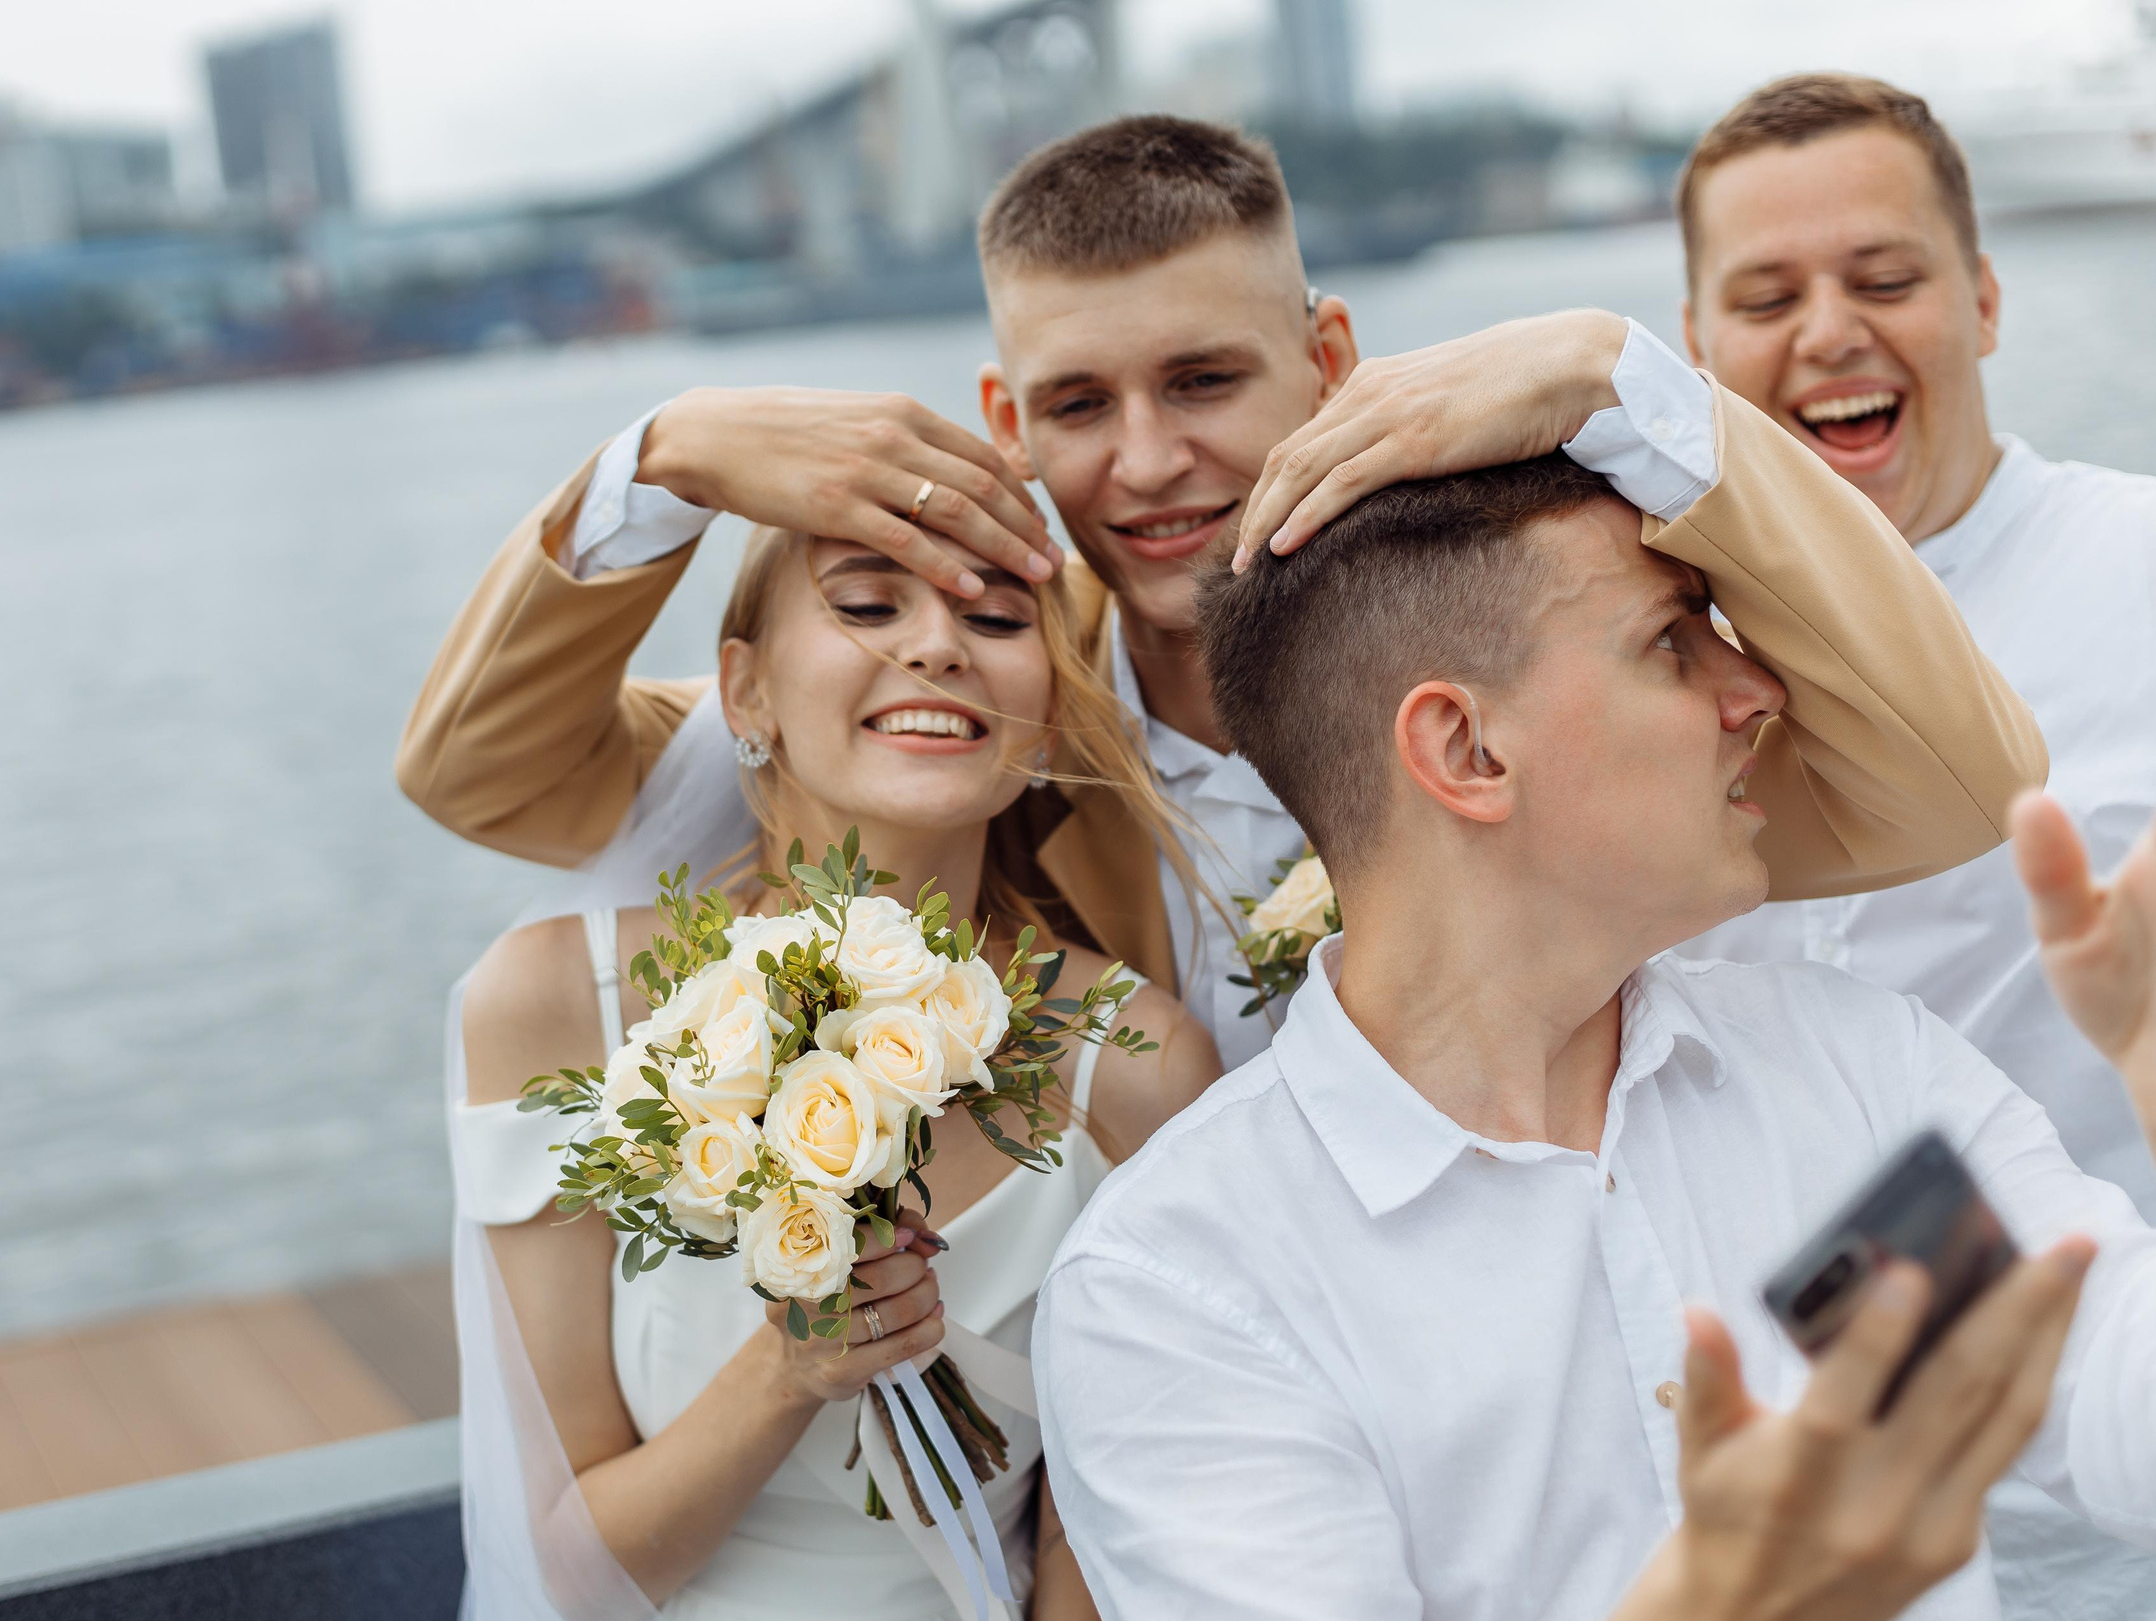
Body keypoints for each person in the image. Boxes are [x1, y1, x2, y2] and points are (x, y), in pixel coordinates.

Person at [1232, 75, 2156, 1621]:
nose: (1745, 702)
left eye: (1885, 276)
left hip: (2115, 1570)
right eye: (1765, 298)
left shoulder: (1836, 1099)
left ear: (1986, 298)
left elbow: (2125, 1385)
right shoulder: (1209, 1273)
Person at [395, 116, 2044, 1071]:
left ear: (1328, 358)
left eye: (1203, 381)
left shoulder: (1531, 659)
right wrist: (653, 463)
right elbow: (491, 773)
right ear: (1004, 424)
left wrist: (1633, 387)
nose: (1149, 463)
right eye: (1080, 409)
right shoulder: (958, 718)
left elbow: (1958, 790)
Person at [1038, 423, 2156, 1621]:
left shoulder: (1845, 1080)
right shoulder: (1183, 1281)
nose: (1754, 692)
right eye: (1672, 642)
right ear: (1465, 751)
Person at [440, 515, 1223, 1621]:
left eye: (998, 619)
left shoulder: (1135, 1062)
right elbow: (581, 1574)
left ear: (1047, 716)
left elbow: (1105, 1552)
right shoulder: (553, 1005)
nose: (939, 647)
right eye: (867, 606)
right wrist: (790, 1372)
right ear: (744, 689)